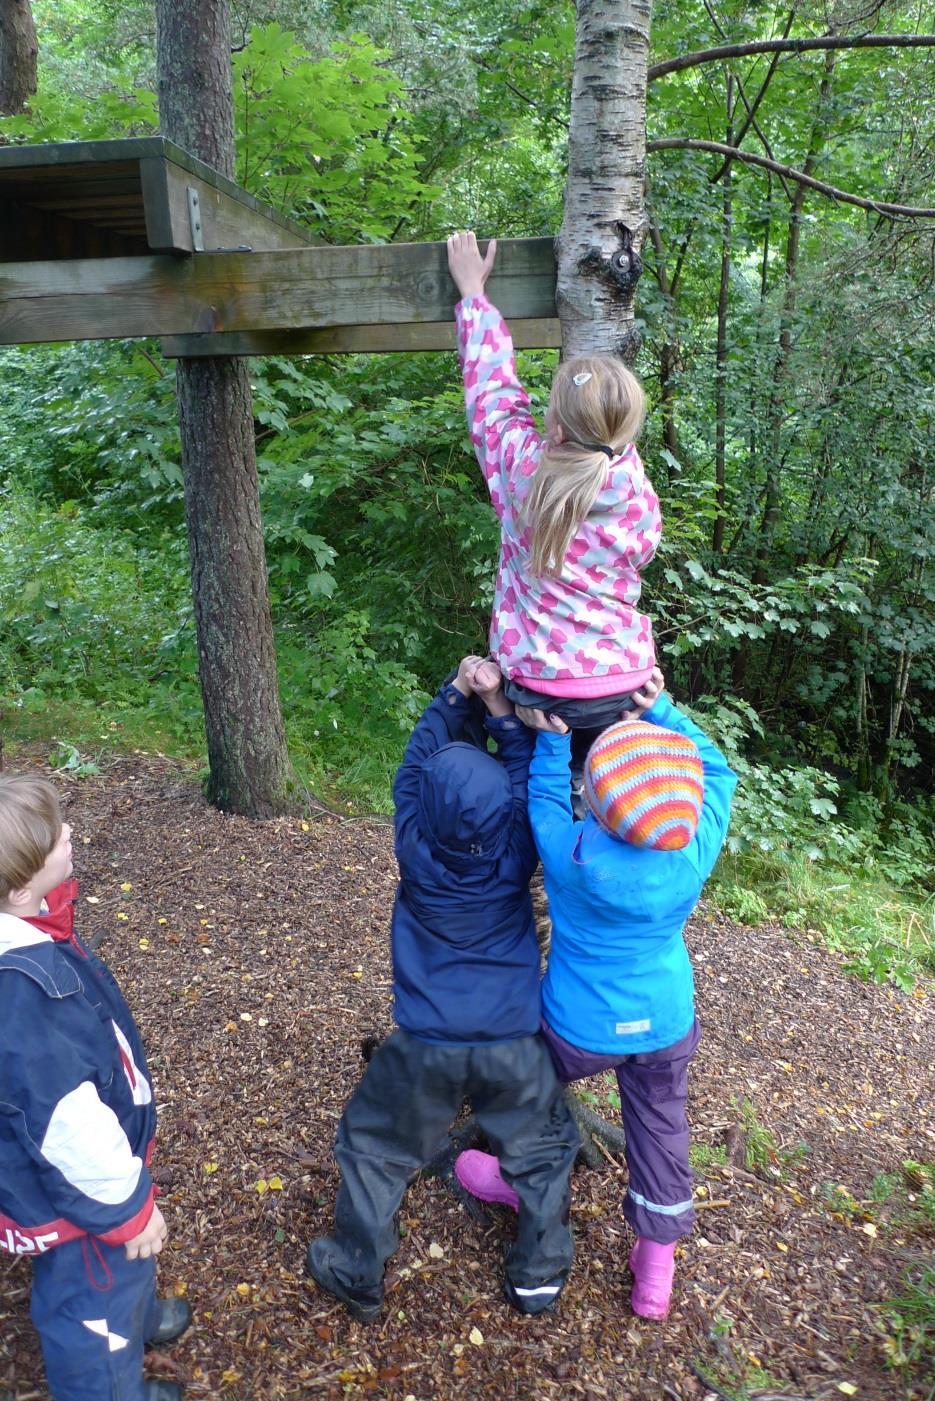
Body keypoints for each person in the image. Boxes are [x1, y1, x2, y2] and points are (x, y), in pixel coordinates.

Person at [454, 670, 738, 1320]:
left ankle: (513, 1177)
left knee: (519, 1084)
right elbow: (718, 771)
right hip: (664, 1023)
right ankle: (655, 1266)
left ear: (599, 807)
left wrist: (552, 745)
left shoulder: (574, 854)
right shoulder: (691, 850)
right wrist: (662, 709)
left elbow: (545, 805)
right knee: (661, 1127)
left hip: (576, 1027)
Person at [307, 657, 580, 1322]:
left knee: (375, 1145)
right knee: (542, 1147)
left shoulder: (413, 840)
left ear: (422, 807)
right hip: (511, 1038)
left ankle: (357, 1266)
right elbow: (520, 782)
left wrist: (456, 690)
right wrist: (497, 710)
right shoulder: (519, 847)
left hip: (424, 1040)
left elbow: (413, 763)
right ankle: (538, 1275)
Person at [0, 775, 190, 1401]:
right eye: (57, 838)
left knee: (121, 1281)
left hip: (94, 1169)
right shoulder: (23, 995)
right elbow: (66, 1129)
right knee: (91, 1305)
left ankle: (134, 1323)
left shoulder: (31, 930)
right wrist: (128, 1212)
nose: (71, 833)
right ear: (22, 888)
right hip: (83, 1201)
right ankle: (111, 1379)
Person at [447, 230, 662, 783]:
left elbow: (492, 398)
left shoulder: (526, 474)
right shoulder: (636, 491)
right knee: (609, 802)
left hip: (541, 685)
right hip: (624, 685)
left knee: (536, 789)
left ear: (557, 426)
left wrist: (475, 296)